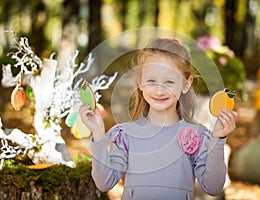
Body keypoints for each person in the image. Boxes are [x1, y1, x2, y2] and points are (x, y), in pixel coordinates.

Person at [79, 37, 238, 199]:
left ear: (186, 84)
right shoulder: (126, 135)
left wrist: (218, 139)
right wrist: (98, 134)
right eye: (151, 81)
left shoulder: (198, 136)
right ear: (140, 82)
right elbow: (104, 183)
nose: (159, 91)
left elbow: (213, 187)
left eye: (169, 81)